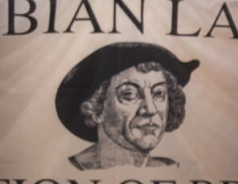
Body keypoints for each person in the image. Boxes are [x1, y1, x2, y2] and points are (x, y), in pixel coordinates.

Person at [54, 42, 198, 169]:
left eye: (159, 93)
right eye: (129, 94)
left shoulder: (171, 168)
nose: (150, 109)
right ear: (96, 109)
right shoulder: (68, 170)